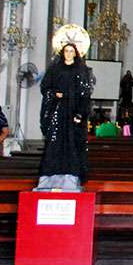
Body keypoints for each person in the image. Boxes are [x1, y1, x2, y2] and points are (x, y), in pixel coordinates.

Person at [36, 41, 92, 191]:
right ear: (63, 53)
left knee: (72, 143)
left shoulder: (82, 71)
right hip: (58, 110)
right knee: (54, 143)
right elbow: (45, 88)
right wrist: (54, 94)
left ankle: (71, 176)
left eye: (71, 51)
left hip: (73, 112)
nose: (68, 53)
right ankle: (49, 177)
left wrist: (80, 113)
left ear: (75, 53)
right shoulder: (55, 69)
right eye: (66, 51)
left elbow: (85, 94)